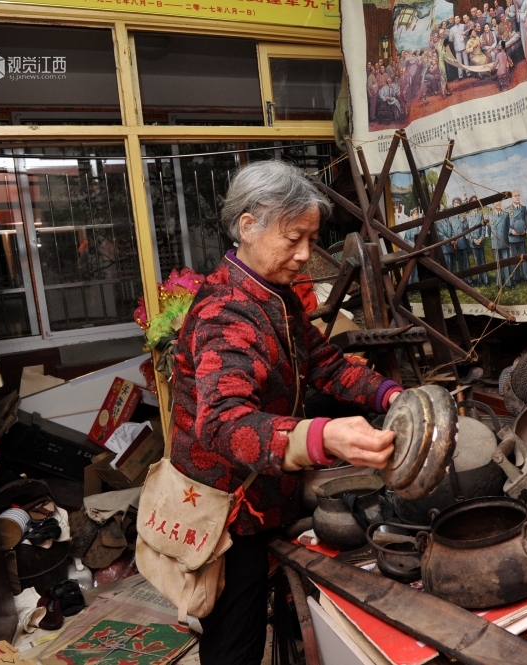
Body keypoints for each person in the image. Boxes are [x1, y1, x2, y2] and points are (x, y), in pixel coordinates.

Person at [170, 161, 402, 665]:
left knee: (278, 617)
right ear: (248, 227)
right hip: (228, 511)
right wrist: (321, 437)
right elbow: (223, 423)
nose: (304, 255)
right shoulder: (225, 311)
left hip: (267, 490)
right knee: (236, 639)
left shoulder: (275, 297)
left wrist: (389, 395)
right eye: (294, 238)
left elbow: (323, 363)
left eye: (311, 239)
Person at [508, 189, 527, 283]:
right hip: (512, 238)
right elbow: (506, 224)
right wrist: (511, 231)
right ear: (511, 197)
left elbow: (526, 220)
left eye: (518, 195)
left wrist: (524, 228)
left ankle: (526, 276)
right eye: (515, 196)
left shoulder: (523, 208)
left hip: (521, 237)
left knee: (523, 257)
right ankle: (515, 278)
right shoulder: (508, 209)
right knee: (514, 258)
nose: (517, 197)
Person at [489, 199, 513, 287]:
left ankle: (508, 282)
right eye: (496, 201)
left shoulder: (506, 214)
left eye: (500, 201)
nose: (499, 203)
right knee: (497, 263)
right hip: (495, 243)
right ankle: (498, 283)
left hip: (504, 241)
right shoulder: (489, 215)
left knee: (506, 262)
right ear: (493, 203)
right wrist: (492, 239)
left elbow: (507, 228)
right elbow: (488, 231)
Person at [467, 199, 489, 285]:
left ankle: (486, 280)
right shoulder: (468, 216)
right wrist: (473, 240)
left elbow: (483, 228)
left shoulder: (480, 215)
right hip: (473, 243)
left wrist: (481, 239)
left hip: (480, 241)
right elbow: (467, 231)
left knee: (483, 261)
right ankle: (480, 280)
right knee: (477, 262)